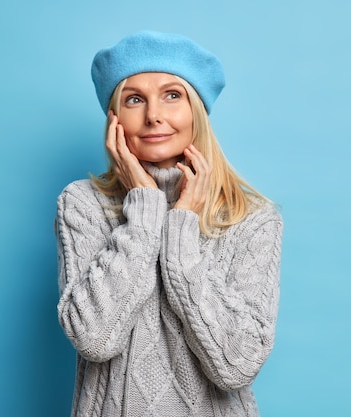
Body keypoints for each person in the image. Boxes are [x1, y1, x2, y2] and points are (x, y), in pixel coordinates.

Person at [55, 30, 283, 417]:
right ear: (114, 118)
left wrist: (180, 230)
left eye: (172, 95)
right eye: (134, 99)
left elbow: (237, 366)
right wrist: (144, 211)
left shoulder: (254, 218)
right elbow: (94, 338)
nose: (154, 115)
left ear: (197, 110)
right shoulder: (82, 204)